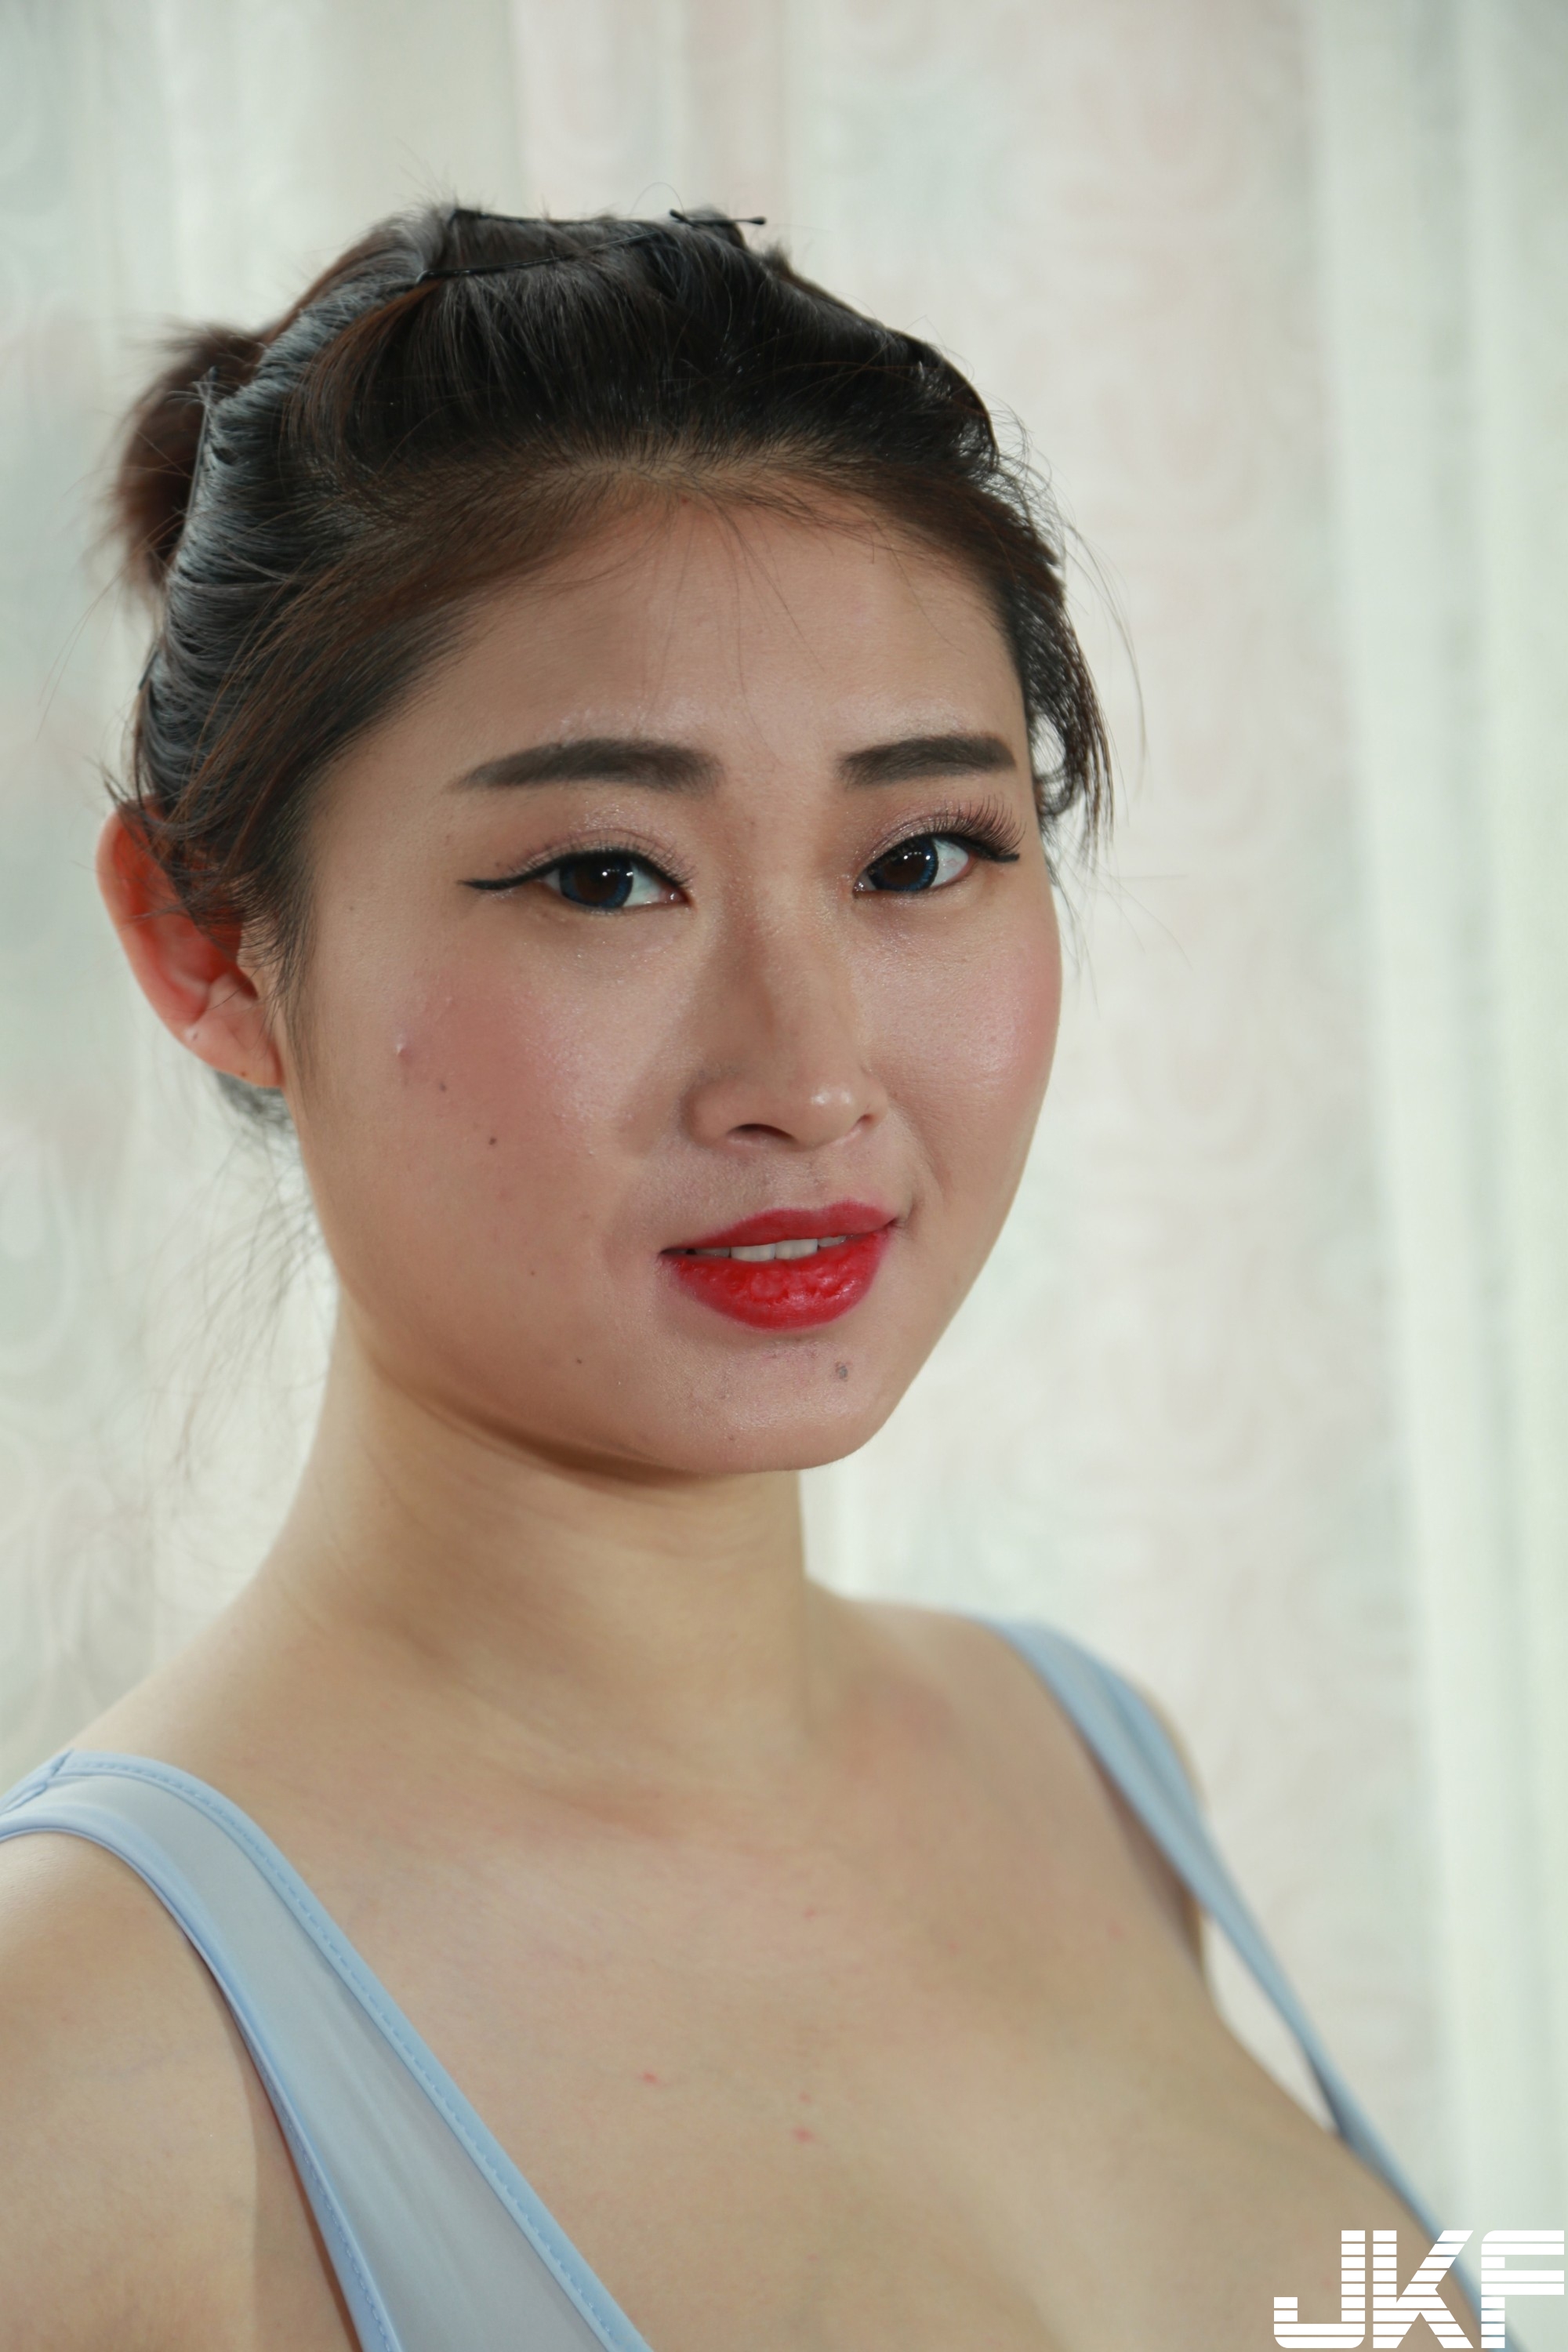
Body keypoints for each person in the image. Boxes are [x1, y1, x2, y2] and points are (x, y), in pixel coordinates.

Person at [0, 208, 1472, 2352]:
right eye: (608, 877)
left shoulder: (1089, 1766)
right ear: (210, 942)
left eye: (921, 858)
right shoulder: (84, 2068)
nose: (809, 1074)